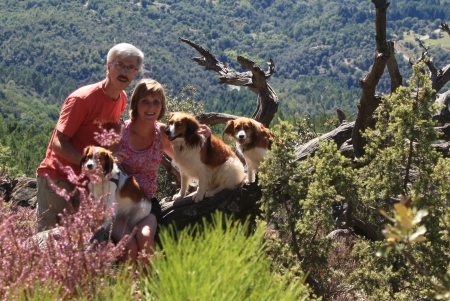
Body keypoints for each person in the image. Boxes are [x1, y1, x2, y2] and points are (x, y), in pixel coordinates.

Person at [35, 43, 144, 233]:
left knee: (78, 243)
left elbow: (104, 138)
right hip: (59, 179)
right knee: (47, 242)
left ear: (136, 74)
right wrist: (89, 165)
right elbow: (58, 144)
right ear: (108, 65)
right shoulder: (83, 99)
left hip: (88, 183)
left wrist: (110, 156)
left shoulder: (122, 99)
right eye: (120, 65)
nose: (124, 72)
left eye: (131, 68)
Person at [111, 78, 210, 265]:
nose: (151, 107)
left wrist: (206, 140)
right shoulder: (120, 131)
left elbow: (189, 159)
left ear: (162, 106)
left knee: (146, 238)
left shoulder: (163, 133)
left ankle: (149, 291)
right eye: (145, 101)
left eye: (156, 102)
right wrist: (112, 160)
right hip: (118, 205)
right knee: (129, 246)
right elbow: (99, 169)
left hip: (147, 203)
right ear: (136, 104)